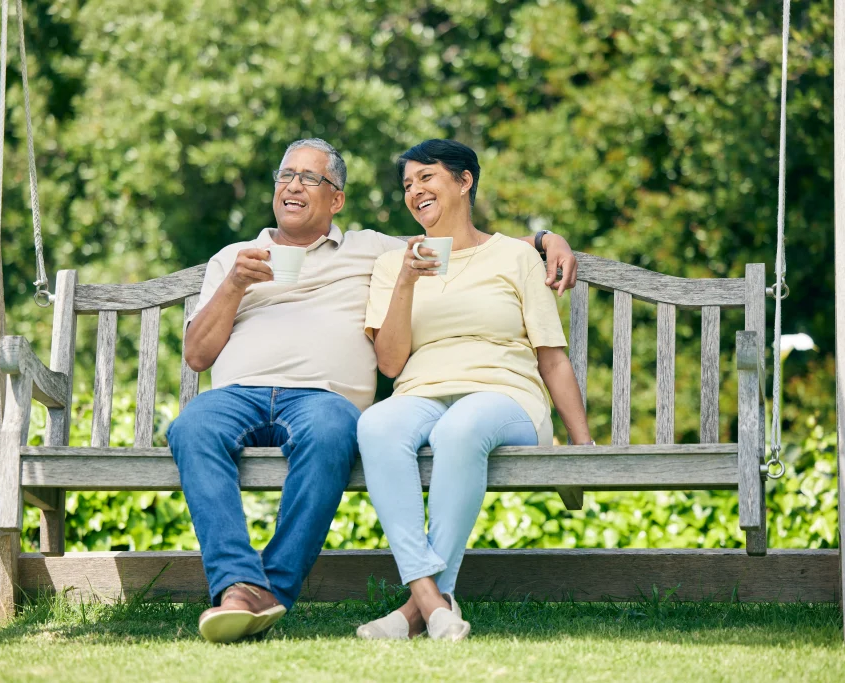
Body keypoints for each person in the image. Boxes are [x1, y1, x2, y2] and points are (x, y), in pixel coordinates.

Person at [166, 138, 579, 644]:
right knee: (191, 428)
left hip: (324, 398)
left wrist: (544, 239)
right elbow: (198, 356)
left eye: (309, 178)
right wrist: (234, 285)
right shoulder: (233, 258)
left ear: (336, 199)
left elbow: (461, 237)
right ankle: (240, 588)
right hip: (238, 394)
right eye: (285, 175)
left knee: (336, 431)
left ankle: (276, 590)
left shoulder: (371, 249)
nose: (293, 185)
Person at [356, 139, 593, 642]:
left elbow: (551, 356)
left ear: (465, 182)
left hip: (504, 395)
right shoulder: (391, 265)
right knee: (375, 423)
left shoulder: (515, 256)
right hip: (419, 392)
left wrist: (582, 443)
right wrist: (404, 282)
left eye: (427, 177)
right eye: (407, 184)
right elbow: (392, 363)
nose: (415, 190)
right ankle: (431, 604)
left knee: (458, 429)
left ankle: (417, 610)